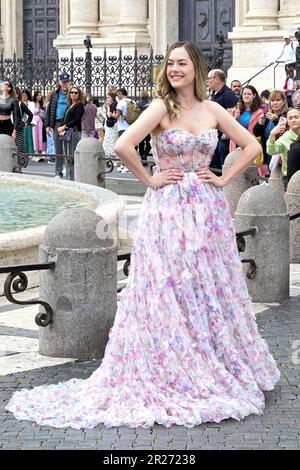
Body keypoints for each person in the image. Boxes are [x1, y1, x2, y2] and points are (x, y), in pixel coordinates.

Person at [6, 41, 280, 429]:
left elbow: (253, 145)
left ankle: (210, 355)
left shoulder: (214, 108)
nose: (174, 70)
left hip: (207, 209)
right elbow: (122, 144)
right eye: (170, 64)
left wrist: (223, 178)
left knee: (206, 283)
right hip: (168, 210)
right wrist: (151, 179)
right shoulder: (160, 108)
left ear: (197, 68)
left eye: (182, 63)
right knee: (167, 283)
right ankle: (171, 361)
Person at [207, 69, 238, 168]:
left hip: (223, 137)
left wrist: (224, 135)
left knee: (223, 165)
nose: (207, 81)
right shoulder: (214, 94)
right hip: (214, 135)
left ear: (216, 79)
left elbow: (231, 115)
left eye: (209, 78)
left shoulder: (228, 94)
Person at [267, 106, 300, 188]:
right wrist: (272, 135)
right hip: (291, 178)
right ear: (287, 122)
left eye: (296, 117)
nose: (293, 120)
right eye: (290, 118)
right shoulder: (285, 137)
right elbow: (271, 150)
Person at [45, 73, 71, 178]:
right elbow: (49, 110)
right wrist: (47, 125)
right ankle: (58, 172)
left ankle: (70, 171)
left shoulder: (73, 93)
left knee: (69, 148)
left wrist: (71, 90)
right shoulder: (54, 94)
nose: (65, 84)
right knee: (58, 149)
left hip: (68, 124)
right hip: (57, 123)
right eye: (63, 82)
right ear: (59, 82)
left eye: (67, 82)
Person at [57, 86, 84, 180]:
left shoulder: (79, 105)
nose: (73, 94)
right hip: (67, 132)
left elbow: (77, 120)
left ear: (79, 94)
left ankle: (72, 178)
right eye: (72, 92)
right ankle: (69, 176)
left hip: (74, 132)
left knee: (71, 155)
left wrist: (65, 127)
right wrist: (62, 129)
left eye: (76, 93)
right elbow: (65, 119)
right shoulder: (69, 105)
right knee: (67, 154)